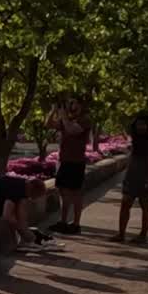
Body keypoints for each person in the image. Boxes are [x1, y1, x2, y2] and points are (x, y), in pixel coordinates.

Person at [47, 98, 91, 234]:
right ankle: (63, 221)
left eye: (75, 102)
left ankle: (76, 224)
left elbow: (72, 130)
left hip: (76, 162)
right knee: (63, 192)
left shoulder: (84, 120)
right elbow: (48, 124)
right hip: (64, 160)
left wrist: (64, 116)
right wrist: (53, 110)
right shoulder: (67, 119)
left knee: (76, 194)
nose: (72, 105)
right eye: (70, 103)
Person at [0, 174, 49, 252]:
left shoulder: (23, 185)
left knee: (17, 217)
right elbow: (7, 215)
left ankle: (25, 240)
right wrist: (22, 229)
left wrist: (24, 229)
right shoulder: (15, 190)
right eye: (35, 196)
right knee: (12, 219)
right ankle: (23, 240)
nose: (32, 199)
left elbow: (21, 212)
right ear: (32, 190)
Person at [113, 114, 148, 244]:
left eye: (143, 124)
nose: (141, 127)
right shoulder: (134, 139)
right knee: (125, 204)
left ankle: (143, 235)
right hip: (131, 176)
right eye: (139, 124)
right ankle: (121, 233)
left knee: (146, 206)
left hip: (145, 176)